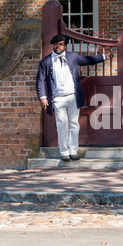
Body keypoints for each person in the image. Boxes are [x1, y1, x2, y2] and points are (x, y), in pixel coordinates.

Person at [36, 34, 105, 162]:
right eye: (56, 44)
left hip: (72, 96)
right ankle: (64, 152)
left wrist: (103, 57)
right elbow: (40, 80)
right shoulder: (46, 61)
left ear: (65, 45)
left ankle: (73, 151)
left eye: (60, 44)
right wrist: (43, 97)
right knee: (62, 124)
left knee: (74, 124)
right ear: (53, 45)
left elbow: (86, 60)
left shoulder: (72, 57)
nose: (58, 46)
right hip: (57, 98)